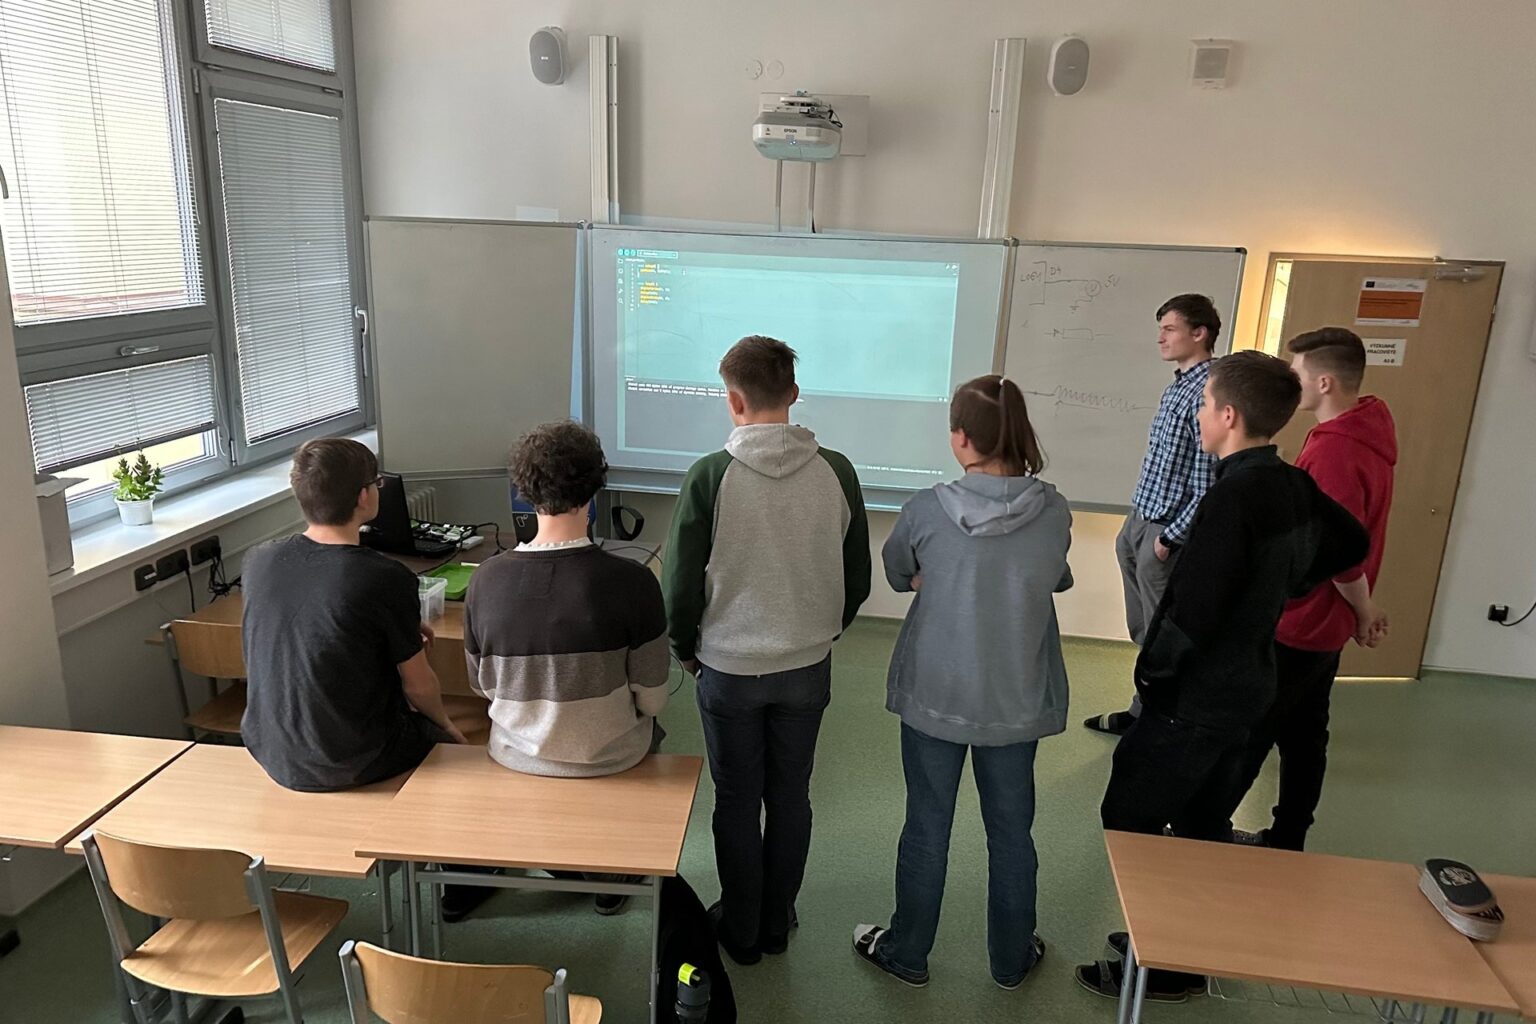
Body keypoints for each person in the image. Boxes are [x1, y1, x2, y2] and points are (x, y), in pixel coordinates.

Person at [1076, 352, 1369, 1004]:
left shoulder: (1233, 497)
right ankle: (1185, 949)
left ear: (1229, 417)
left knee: (1131, 816)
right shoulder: (1291, 483)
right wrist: (1286, 582)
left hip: (1198, 697)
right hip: (1250, 686)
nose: (1200, 415)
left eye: (1205, 405)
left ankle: (1165, 960)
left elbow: (1193, 613)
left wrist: (1154, 679)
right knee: (1202, 820)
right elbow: (1350, 544)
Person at [852, 375, 1072, 991]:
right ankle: (1011, 959)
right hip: (1016, 698)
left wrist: (932, 577)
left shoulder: (926, 509)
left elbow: (898, 570)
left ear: (962, 438)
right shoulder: (1054, 510)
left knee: (927, 826)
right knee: (1012, 834)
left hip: (936, 694)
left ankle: (907, 953)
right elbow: (1055, 576)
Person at [663, 334, 872, 966]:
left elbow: (680, 584)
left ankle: (742, 928)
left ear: (734, 401)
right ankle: (777, 921)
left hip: (728, 668)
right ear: (795, 393)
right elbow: (856, 576)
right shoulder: (837, 471)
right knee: (790, 795)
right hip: (806, 665)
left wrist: (686, 648)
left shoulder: (709, 476)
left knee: (735, 798)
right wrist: (822, 631)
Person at [460, 420, 670, 916]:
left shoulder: (484, 580)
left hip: (515, 754)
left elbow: (481, 686)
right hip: (610, 757)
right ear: (595, 491)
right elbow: (654, 698)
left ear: (524, 491)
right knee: (656, 731)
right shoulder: (634, 582)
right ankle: (608, 869)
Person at [1231, 328, 1396, 850]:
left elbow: (1337, 551)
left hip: (1304, 619)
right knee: (1305, 735)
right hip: (1325, 622)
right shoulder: (1365, 428)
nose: (1289, 381)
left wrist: (1364, 610)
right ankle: (1288, 838)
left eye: (1297, 373)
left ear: (1323, 382)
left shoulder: (1336, 453)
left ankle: (1202, 833)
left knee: (1254, 730)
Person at [242, 438, 466, 794]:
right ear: (364, 497)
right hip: (353, 760)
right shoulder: (384, 577)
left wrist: (397, 626)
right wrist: (447, 727)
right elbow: (419, 686)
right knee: (454, 747)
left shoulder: (258, 561)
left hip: (271, 750)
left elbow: (316, 620)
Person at [1085, 294, 1221, 736]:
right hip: (1140, 521)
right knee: (1145, 630)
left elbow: (1207, 482)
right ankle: (1148, 709)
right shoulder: (1179, 384)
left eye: (1170, 329)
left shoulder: (1209, 392)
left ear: (1199, 333)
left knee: (1165, 636)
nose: (1160, 338)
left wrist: (1170, 538)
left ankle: (1156, 718)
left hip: (1165, 534)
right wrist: (1134, 528)